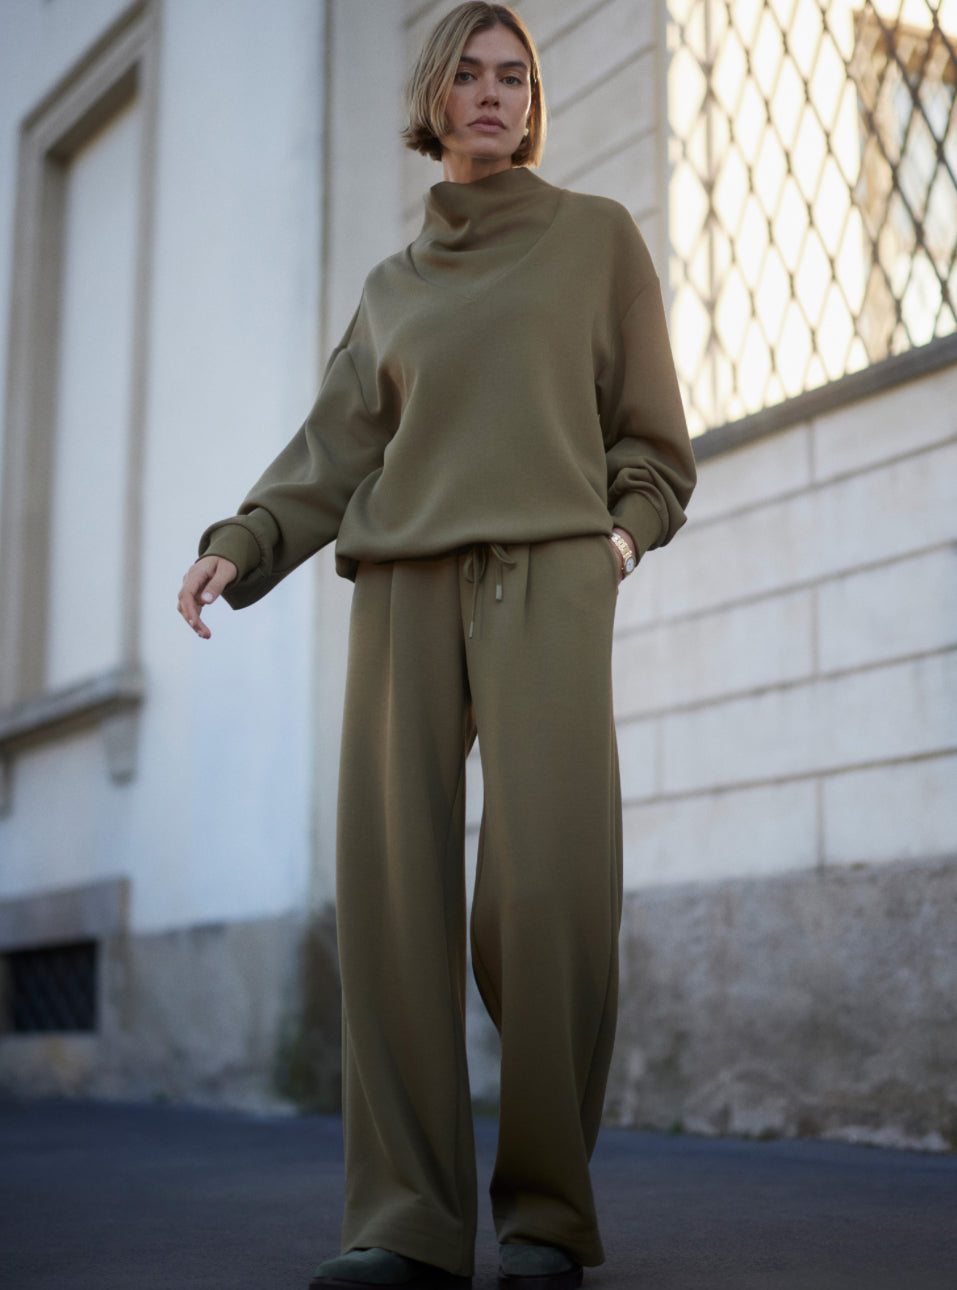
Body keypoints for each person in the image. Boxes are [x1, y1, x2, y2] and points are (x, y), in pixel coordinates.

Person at [178, 5, 695, 1288]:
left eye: (514, 75)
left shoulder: (597, 239)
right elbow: (334, 448)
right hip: (403, 584)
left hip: (551, 575)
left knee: (549, 896)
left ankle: (546, 1218)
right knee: (393, 898)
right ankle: (407, 1223)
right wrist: (243, 542)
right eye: (467, 73)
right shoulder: (393, 288)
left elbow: (652, 438)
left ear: (534, 101)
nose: (493, 93)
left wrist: (618, 543)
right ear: (433, 97)